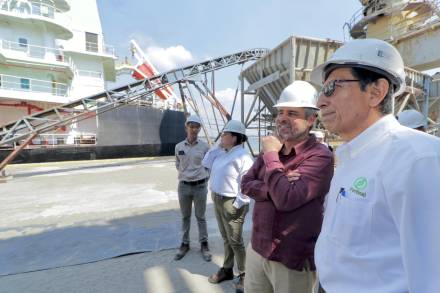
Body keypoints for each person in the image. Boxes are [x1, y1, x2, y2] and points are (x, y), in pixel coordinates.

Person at [311, 38, 440, 293]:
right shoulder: (351, 156)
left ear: (375, 92)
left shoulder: (418, 160)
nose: (320, 102)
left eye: (332, 88)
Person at [241, 80, 334, 293]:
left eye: (292, 113)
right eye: (281, 112)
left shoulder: (320, 156)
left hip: (291, 258)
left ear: (311, 119)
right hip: (258, 249)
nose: (283, 118)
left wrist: (271, 156)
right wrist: (272, 188)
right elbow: (245, 183)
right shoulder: (273, 150)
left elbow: (287, 199)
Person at [202, 120, 254, 293]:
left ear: (234, 137)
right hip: (217, 198)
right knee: (226, 238)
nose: (221, 136)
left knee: (235, 240)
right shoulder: (222, 153)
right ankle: (227, 269)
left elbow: (247, 184)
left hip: (231, 202)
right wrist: (217, 146)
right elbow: (206, 163)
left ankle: (244, 273)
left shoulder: (243, 157)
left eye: (224, 134)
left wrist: (237, 204)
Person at [174, 114, 211, 261]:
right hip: (183, 187)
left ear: (199, 129)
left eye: (196, 127)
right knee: (185, 217)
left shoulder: (204, 147)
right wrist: (185, 175)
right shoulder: (178, 147)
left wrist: (205, 177)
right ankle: (185, 244)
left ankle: (204, 244)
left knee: (201, 217)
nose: (193, 129)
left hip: (200, 187)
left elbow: (209, 165)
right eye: (191, 126)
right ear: (186, 127)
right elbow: (177, 163)